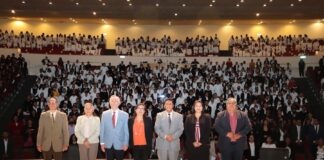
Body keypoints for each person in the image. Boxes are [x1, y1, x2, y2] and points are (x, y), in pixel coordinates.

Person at [100, 95, 129, 160]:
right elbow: (102, 130)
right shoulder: (104, 114)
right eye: (112, 101)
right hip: (108, 144)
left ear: (119, 103)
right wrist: (102, 143)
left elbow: (126, 131)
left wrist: (126, 143)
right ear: (109, 103)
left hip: (120, 144)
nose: (114, 102)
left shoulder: (125, 115)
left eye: (116, 101)